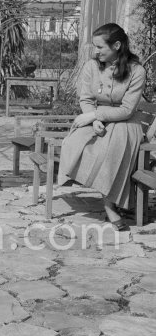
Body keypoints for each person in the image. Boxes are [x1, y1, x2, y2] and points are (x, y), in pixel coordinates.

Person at [57, 23, 146, 231]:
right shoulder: (91, 67)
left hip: (126, 123)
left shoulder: (137, 71)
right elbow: (86, 98)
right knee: (74, 141)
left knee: (112, 147)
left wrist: (95, 115)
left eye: (100, 47)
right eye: (94, 47)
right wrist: (94, 119)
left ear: (116, 45)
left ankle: (109, 203)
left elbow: (127, 110)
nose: (96, 52)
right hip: (97, 118)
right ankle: (107, 192)